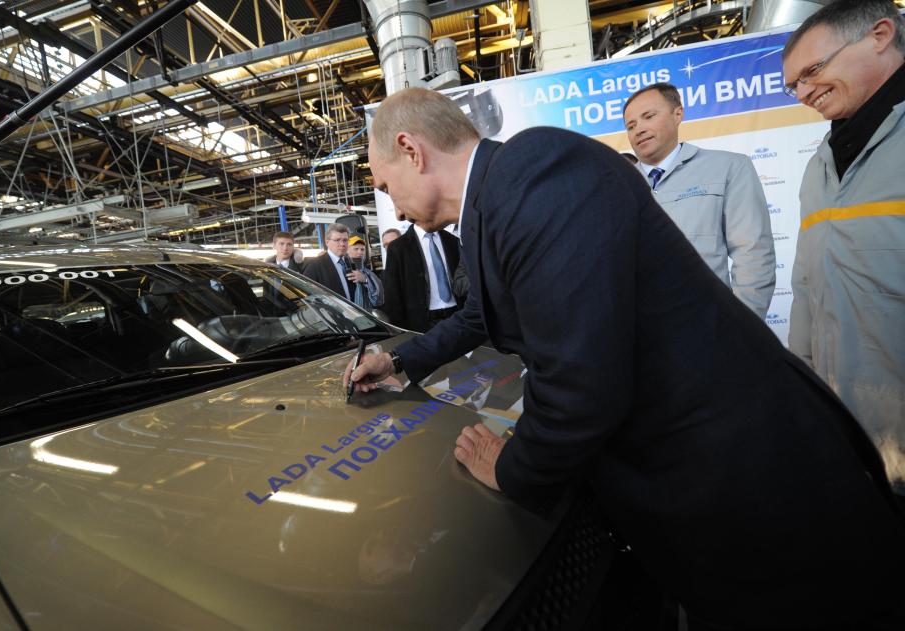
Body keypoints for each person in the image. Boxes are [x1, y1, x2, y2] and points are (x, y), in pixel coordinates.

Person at [347, 87, 905, 629]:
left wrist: (514, 468)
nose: (387, 201)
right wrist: (401, 363)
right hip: (704, 468)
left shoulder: (535, 172)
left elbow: (580, 384)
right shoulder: (495, 201)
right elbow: (483, 313)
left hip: (740, 477)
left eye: (383, 182)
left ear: (413, 151)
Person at [782, 0, 905, 489]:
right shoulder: (821, 162)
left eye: (812, 71)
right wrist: (802, 389)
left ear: (879, 35)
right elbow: (806, 284)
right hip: (857, 432)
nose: (804, 92)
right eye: (794, 85)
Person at [624, 83, 776, 320]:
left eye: (648, 117)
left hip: (707, 328)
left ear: (678, 114)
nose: (639, 130)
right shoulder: (617, 186)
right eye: (630, 126)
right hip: (637, 340)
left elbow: (753, 253)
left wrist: (743, 328)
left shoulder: (728, 167)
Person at [382, 225, 462, 332]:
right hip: (423, 322)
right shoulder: (397, 247)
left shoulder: (453, 241)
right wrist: (401, 331)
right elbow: (393, 293)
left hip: (459, 315)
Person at [303, 223, 354, 300]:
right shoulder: (314, 265)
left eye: (345, 240)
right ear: (327, 242)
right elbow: (307, 296)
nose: (342, 244)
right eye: (337, 240)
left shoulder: (350, 263)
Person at [345, 235, 384, 309]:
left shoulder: (369, 273)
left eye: (362, 249)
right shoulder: (342, 269)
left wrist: (366, 280)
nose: (360, 252)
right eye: (356, 249)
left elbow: (378, 299)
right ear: (347, 250)